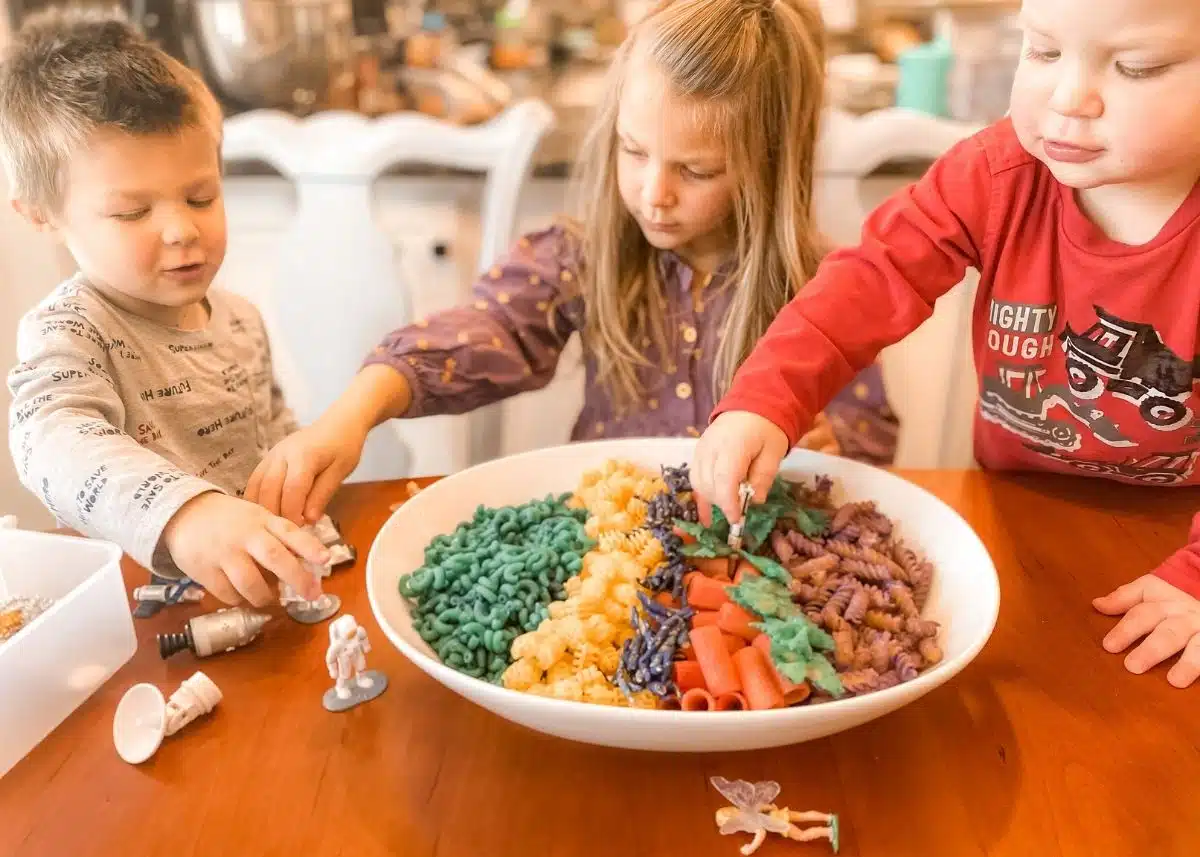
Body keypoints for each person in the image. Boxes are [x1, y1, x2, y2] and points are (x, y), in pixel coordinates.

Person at [692, 0, 1200, 687]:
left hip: (1176, 539)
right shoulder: (997, 173)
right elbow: (872, 277)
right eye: (1044, 52)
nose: (1068, 97)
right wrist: (768, 395)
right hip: (1014, 518)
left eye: (1137, 67)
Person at [247, 0, 899, 524]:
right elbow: (484, 330)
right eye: (633, 152)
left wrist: (833, 444)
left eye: (695, 170)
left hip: (753, 555)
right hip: (604, 543)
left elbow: (868, 430)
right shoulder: (583, 259)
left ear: (769, 166)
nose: (653, 192)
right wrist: (351, 415)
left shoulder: (824, 290)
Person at [2, 8, 328, 606]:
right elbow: (50, 441)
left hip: (268, 595)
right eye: (132, 212)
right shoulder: (70, 333)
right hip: (146, 618)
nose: (181, 230)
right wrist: (186, 516)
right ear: (42, 216)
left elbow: (271, 427)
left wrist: (298, 475)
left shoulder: (240, 319)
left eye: (201, 196)